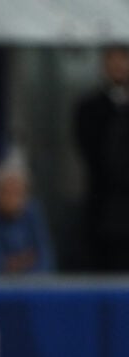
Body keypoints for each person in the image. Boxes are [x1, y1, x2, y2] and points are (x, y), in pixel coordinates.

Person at [73, 44, 129, 271]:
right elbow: (92, 154)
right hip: (101, 210)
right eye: (112, 59)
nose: (118, 65)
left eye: (123, 59)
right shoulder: (88, 107)